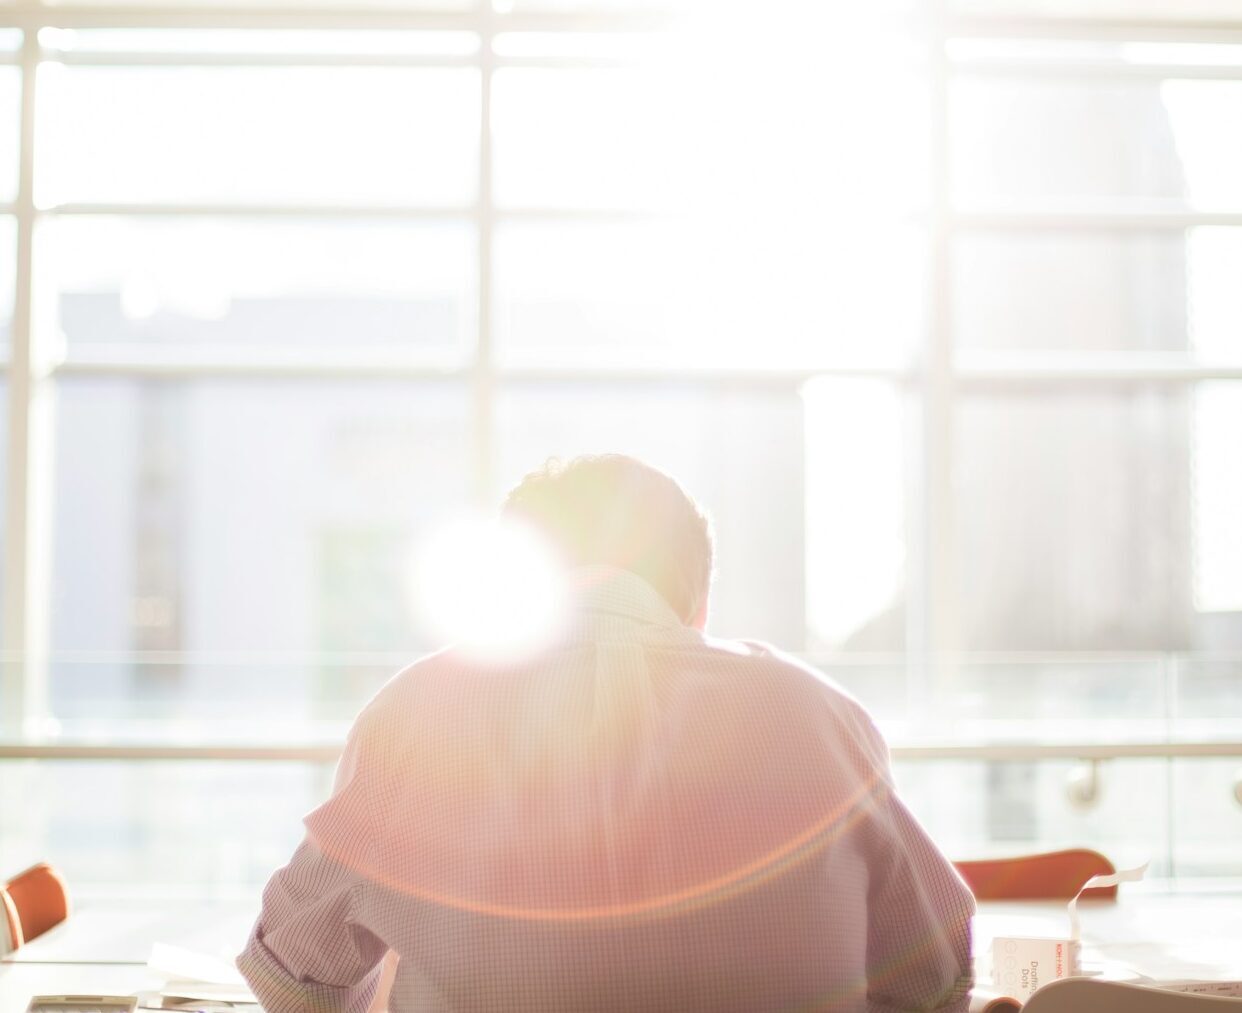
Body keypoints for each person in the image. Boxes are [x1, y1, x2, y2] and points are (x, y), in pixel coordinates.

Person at [238, 454, 974, 1013]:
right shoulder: (819, 716)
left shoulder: (418, 712)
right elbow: (936, 973)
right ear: (699, 601)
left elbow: (292, 975)